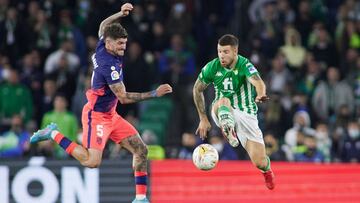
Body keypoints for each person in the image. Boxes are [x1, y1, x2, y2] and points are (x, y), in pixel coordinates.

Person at [30, 3, 172, 203]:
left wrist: (119, 15)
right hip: (96, 116)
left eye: (125, 43)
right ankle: (53, 133)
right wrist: (154, 94)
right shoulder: (109, 65)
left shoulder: (102, 45)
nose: (124, 47)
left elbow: (103, 24)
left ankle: (140, 199)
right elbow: (123, 97)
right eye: (120, 44)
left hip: (111, 114)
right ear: (109, 42)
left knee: (141, 150)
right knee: (91, 161)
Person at [193, 34, 275, 190]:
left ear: (235, 51)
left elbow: (258, 82)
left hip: (246, 115)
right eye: (219, 51)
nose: (221, 56)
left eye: (225, 52)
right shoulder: (212, 66)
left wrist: (260, 94)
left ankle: (267, 171)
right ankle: (228, 129)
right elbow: (197, 89)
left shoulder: (245, 65)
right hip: (222, 109)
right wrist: (203, 118)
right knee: (223, 101)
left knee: (260, 161)